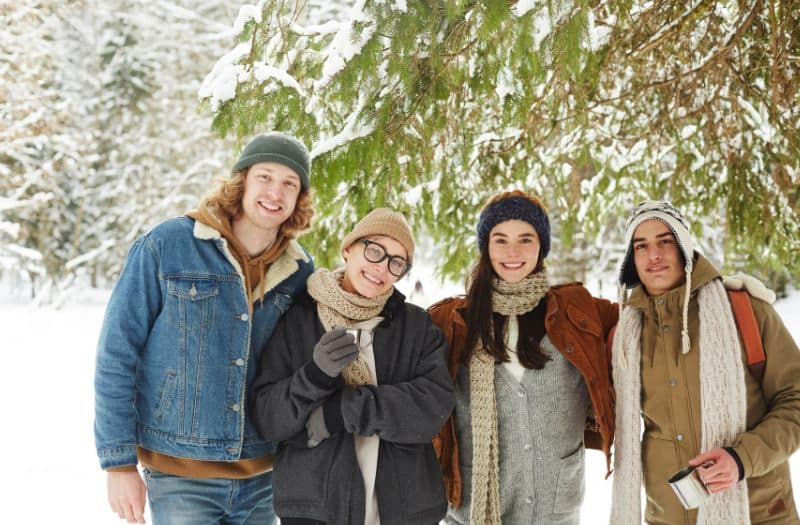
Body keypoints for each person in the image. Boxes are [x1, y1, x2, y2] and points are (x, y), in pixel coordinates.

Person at [94, 132, 315, 524]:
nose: (275, 192)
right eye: (265, 177)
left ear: (299, 199)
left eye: (289, 184)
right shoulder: (168, 245)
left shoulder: (299, 271)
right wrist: (118, 464)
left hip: (264, 476)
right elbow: (117, 354)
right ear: (241, 180)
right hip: (180, 475)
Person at [251, 208, 455, 525]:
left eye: (396, 262)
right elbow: (268, 418)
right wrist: (313, 376)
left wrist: (345, 409)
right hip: (315, 510)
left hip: (405, 511)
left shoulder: (416, 328)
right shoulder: (297, 320)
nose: (381, 268)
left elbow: (432, 407)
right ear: (349, 248)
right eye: (374, 251)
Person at [428, 190, 618, 524]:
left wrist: (724, 293)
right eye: (500, 240)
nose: (512, 252)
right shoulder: (451, 322)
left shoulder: (579, 312)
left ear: (541, 247)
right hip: (472, 511)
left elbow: (651, 320)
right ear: (486, 247)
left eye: (525, 239)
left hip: (555, 510)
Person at [610, 200, 800, 524]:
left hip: (757, 513)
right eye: (641, 246)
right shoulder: (625, 334)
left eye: (664, 241)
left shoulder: (744, 310)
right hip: (667, 515)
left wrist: (741, 459)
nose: (653, 255)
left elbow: (795, 401)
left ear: (684, 245)